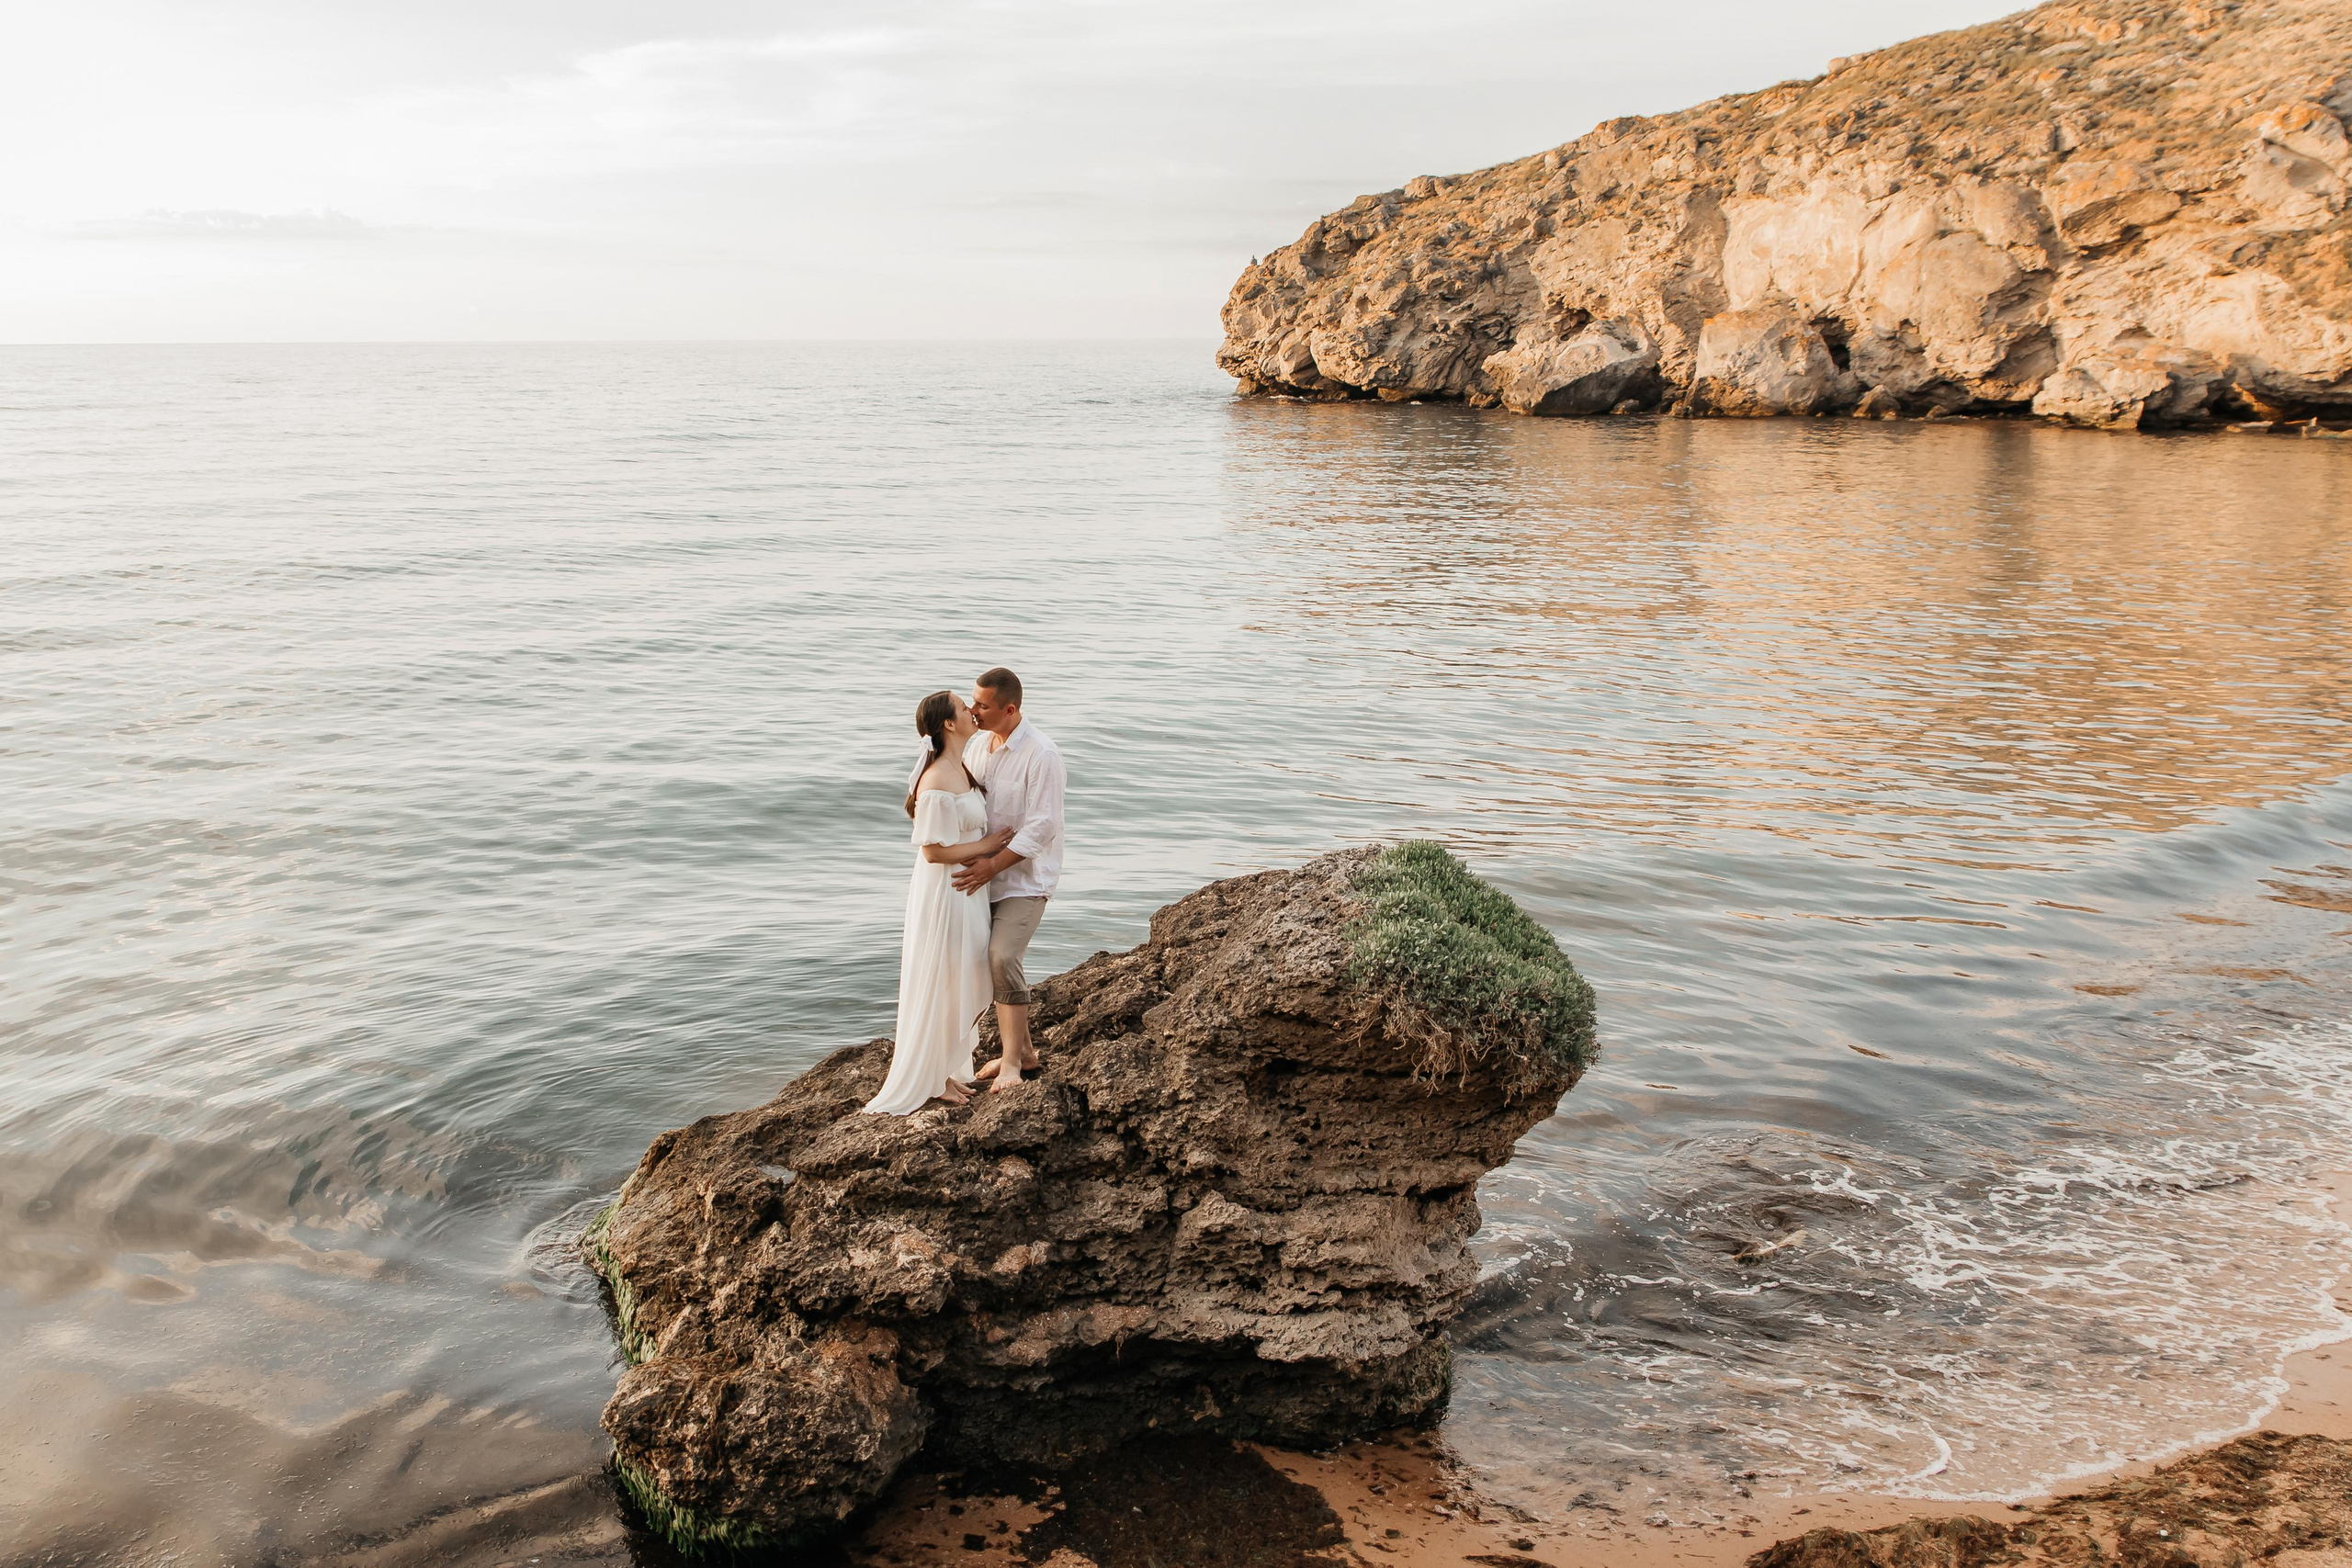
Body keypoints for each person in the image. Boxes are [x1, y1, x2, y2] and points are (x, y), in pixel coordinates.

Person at [862, 691, 1012, 1115]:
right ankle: (932, 1077)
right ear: (949, 724)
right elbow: (931, 851)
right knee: (942, 976)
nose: (972, 712)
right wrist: (987, 845)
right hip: (945, 892)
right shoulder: (935, 780)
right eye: (965, 708)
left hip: (967, 890)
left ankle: (947, 1065)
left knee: (962, 973)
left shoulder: (961, 768)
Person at [954, 667, 1066, 1092]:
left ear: (1010, 708)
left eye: (982, 705)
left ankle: (1013, 1065)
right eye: (972, 702)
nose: (973, 710)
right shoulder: (978, 747)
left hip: (1024, 880)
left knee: (1002, 957)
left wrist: (992, 865)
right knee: (980, 962)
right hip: (983, 878)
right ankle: (1026, 1052)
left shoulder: (1042, 754)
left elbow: (1042, 827)